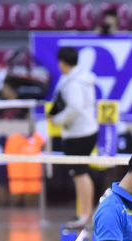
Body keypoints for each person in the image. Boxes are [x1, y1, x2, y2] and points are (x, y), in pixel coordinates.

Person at [51, 46, 99, 229]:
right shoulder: (81, 78)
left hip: (79, 133)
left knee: (80, 174)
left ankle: (85, 214)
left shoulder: (74, 83)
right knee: (80, 173)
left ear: (62, 62)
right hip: (84, 131)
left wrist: (57, 120)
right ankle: (83, 212)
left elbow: (75, 107)